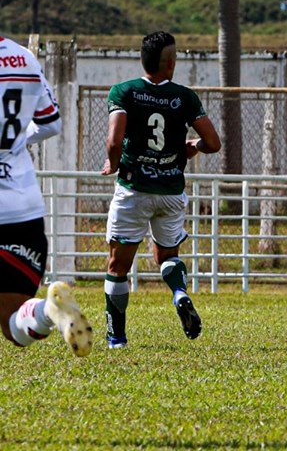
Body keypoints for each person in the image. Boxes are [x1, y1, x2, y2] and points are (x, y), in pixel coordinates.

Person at [100, 31, 221, 349]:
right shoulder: (185, 97)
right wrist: (190, 146)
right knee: (167, 256)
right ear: (170, 63)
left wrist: (112, 162)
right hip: (170, 192)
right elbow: (213, 143)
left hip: (134, 190)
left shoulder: (124, 92)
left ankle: (117, 338)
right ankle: (179, 294)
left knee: (118, 266)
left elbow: (114, 140)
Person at [0, 35, 93, 357]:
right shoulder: (22, 58)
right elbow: (50, 123)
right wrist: (16, 144)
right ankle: (48, 310)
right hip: (22, 208)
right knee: (13, 324)